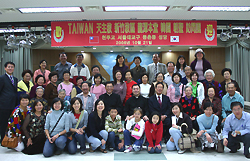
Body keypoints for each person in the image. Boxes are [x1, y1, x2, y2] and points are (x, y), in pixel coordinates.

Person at [0, 61, 18, 142]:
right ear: (5, 68)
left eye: (12, 67)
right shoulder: (2, 78)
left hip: (13, 104)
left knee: (12, 123)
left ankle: (11, 139)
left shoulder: (15, 79)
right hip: (4, 104)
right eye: (9, 67)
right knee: (3, 122)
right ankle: (3, 139)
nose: (10, 68)